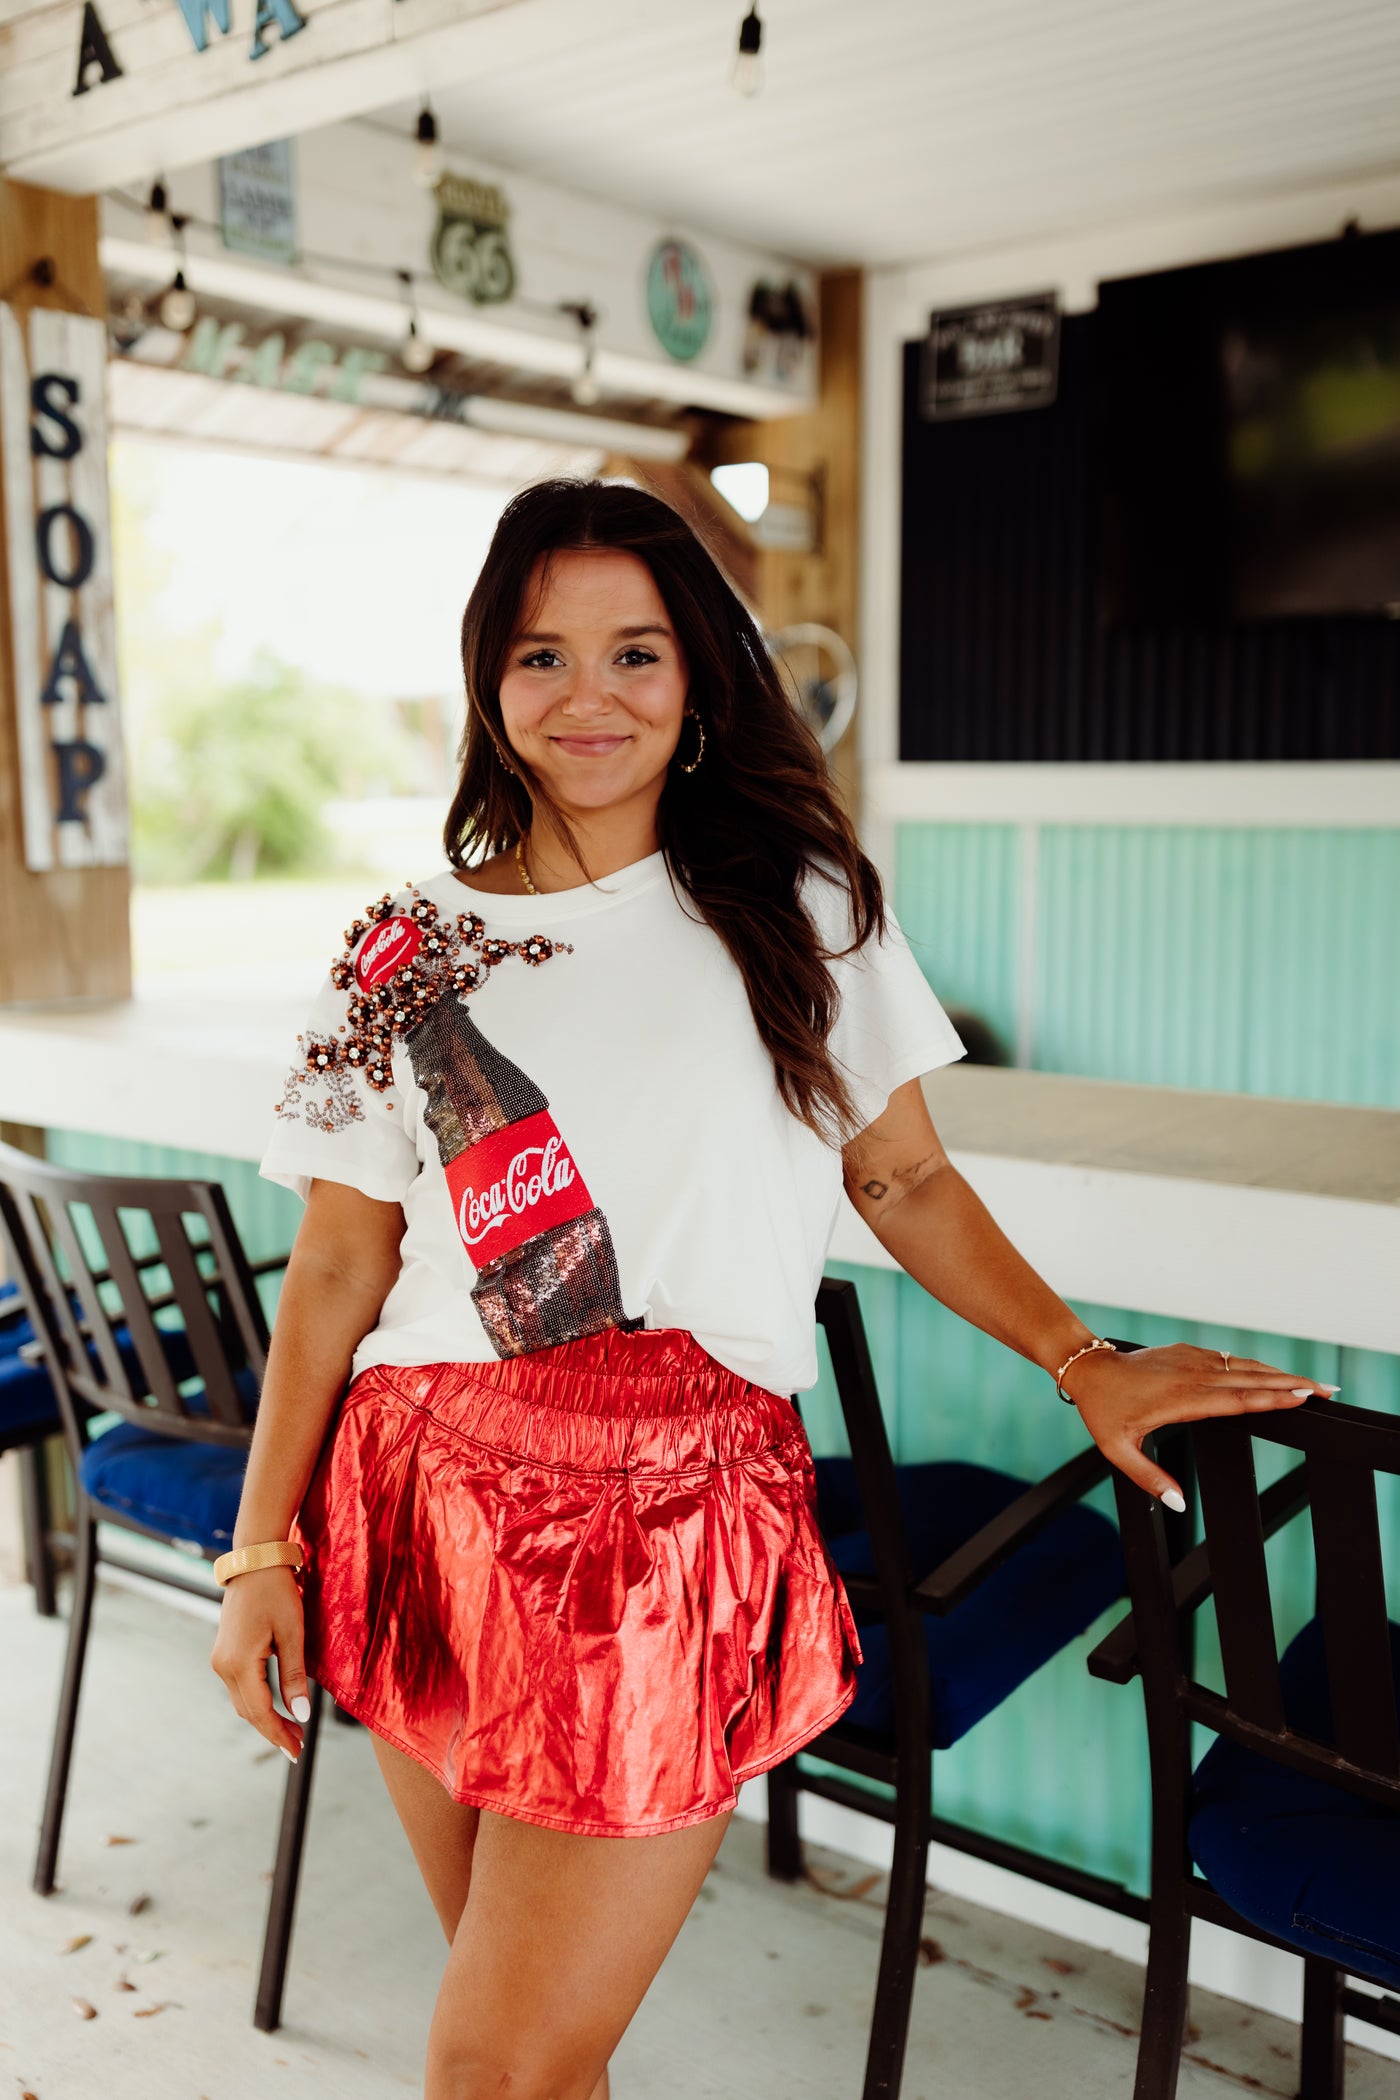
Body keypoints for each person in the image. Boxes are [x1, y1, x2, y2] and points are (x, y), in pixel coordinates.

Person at [211, 478, 1334, 2100]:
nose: (587, 697)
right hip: (424, 1494)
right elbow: (335, 1270)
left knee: (495, 2066)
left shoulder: (800, 905)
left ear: (700, 677)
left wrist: (1084, 1361)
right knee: (530, 2046)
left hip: (664, 1522)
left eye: (635, 653)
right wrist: (264, 1547)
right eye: (540, 657)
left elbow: (908, 1180)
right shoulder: (408, 946)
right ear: (487, 680)